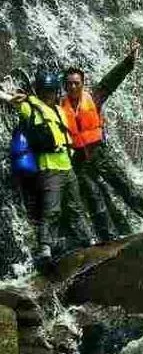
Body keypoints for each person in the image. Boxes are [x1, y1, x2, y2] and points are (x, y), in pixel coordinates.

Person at [60, 38, 143, 242]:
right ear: (65, 86)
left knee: (125, 187)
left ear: (82, 84)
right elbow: (37, 106)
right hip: (79, 161)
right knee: (94, 200)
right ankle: (108, 240)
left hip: (100, 153)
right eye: (69, 84)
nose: (73, 87)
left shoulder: (93, 98)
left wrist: (128, 61)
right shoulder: (59, 107)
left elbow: (111, 80)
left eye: (77, 83)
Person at [0, 72, 92, 264]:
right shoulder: (29, 107)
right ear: (39, 91)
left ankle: (87, 239)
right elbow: (9, 99)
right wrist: (20, 96)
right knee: (52, 210)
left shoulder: (59, 110)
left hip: (67, 165)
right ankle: (45, 249)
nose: (48, 94)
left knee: (76, 206)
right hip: (48, 166)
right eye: (44, 91)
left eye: (51, 91)